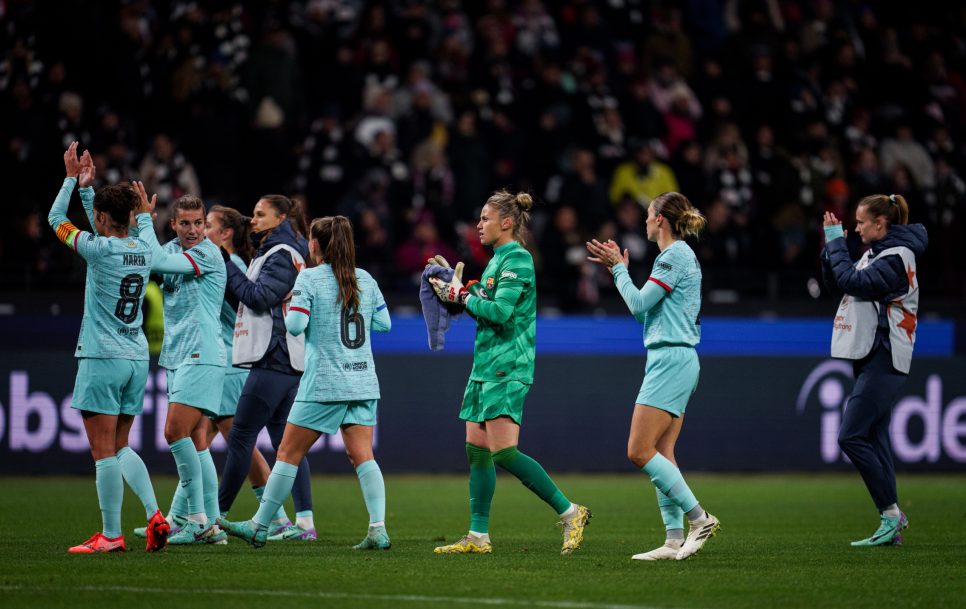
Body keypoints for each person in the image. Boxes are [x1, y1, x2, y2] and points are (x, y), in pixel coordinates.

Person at [428, 190, 591, 556]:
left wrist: (464, 296)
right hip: (484, 364)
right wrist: (457, 292)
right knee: (478, 452)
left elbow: (500, 313)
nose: (478, 225)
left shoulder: (517, 258)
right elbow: (486, 308)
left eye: (485, 218)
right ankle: (478, 535)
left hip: (507, 364)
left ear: (507, 222)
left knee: (503, 453)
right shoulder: (496, 260)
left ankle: (570, 511)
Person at [219, 216, 392, 549]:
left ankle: (259, 526)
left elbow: (295, 326)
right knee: (362, 457)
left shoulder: (310, 278)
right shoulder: (365, 279)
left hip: (325, 381)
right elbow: (383, 324)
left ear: (315, 245)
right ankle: (378, 528)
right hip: (362, 381)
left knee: (287, 453)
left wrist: (295, 309)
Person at [586, 191, 720, 561]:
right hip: (675, 357)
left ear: (660, 218)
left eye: (648, 214)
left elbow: (639, 303)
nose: (645, 220)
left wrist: (617, 269)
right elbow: (645, 315)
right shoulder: (676, 257)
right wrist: (622, 274)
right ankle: (674, 539)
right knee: (662, 452)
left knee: (638, 450)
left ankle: (699, 518)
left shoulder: (674, 255)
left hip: (671, 360)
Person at [49, 142, 168, 554]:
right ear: (131, 217)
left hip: (102, 355)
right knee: (120, 447)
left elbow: (54, 220)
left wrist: (69, 179)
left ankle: (112, 535)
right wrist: (89, 190)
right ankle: (155, 515)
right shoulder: (142, 248)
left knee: (102, 451)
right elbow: (113, 223)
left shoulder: (97, 250)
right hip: (136, 359)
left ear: (102, 218)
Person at [821, 194, 927, 546]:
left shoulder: (896, 258)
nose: (856, 227)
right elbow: (837, 280)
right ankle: (891, 525)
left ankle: (892, 515)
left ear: (881, 224)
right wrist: (829, 249)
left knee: (850, 436)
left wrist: (836, 242)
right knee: (876, 439)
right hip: (873, 354)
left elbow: (854, 282)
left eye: (861, 222)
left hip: (886, 355)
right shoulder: (879, 253)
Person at [218, 194, 316, 541]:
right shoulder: (281, 251)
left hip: (274, 358)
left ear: (281, 218)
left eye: (260, 215)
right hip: (286, 360)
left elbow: (259, 298)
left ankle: (216, 517)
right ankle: (303, 523)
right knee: (287, 446)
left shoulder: (281, 255)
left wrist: (226, 261)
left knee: (241, 436)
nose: (253, 220)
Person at [133, 187, 228, 545]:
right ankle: (210, 522)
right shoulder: (172, 249)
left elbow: (155, 262)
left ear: (205, 226)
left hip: (201, 355)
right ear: (173, 225)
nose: (193, 230)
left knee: (174, 432)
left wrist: (144, 219)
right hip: (177, 355)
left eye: (199, 223)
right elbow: (148, 256)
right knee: (197, 440)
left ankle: (199, 521)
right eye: (185, 223)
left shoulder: (207, 253)